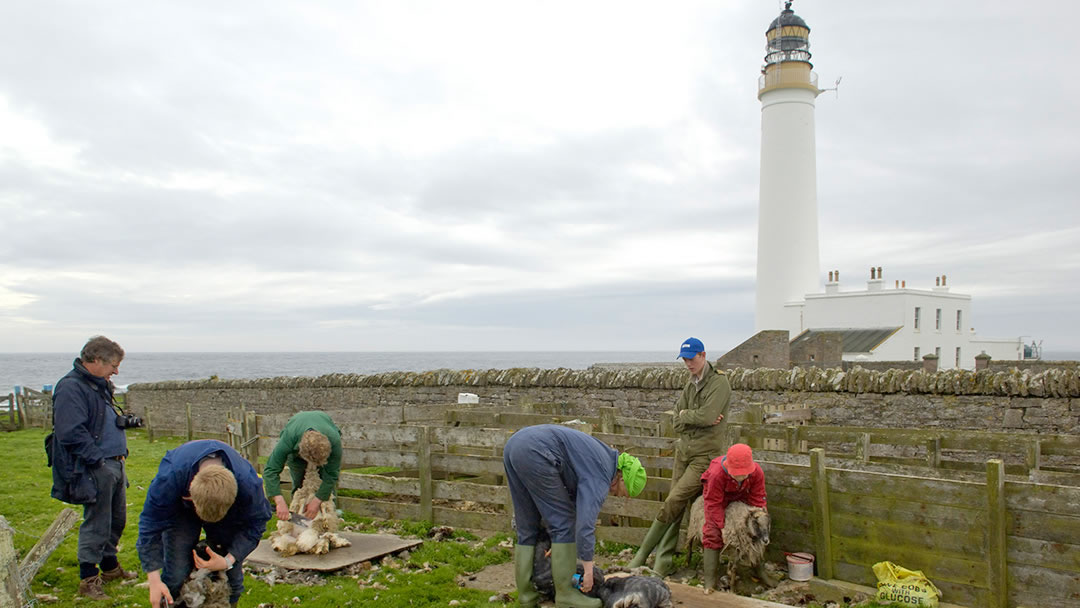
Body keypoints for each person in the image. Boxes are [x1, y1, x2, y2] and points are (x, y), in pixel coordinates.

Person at [504, 424, 647, 608]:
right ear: (621, 478)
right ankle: (566, 595)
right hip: (536, 452)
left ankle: (526, 596)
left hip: (515, 444)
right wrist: (588, 570)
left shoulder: (601, 456)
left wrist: (559, 543)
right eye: (623, 492)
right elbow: (585, 525)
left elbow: (570, 498)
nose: (619, 496)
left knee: (527, 526)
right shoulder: (602, 475)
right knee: (564, 524)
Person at [629, 337, 730, 575]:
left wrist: (688, 415)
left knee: (673, 501)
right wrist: (689, 416)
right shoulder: (690, 383)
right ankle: (663, 561)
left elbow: (708, 417)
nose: (687, 364)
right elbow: (677, 420)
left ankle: (642, 555)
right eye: (684, 359)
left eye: (691, 358)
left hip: (704, 456)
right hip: (683, 452)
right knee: (674, 504)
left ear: (703, 355)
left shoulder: (719, 383)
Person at [48, 336, 138, 600]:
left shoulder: (99, 385)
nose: (116, 371)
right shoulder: (71, 388)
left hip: (114, 462)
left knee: (116, 520)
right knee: (97, 522)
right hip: (95, 466)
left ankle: (109, 567)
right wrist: (97, 462)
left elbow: (100, 420)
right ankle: (88, 579)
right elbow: (70, 432)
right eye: (113, 364)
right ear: (95, 360)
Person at [137, 439, 272, 608]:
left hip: (226, 512)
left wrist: (227, 561)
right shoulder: (171, 476)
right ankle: (169, 600)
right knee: (176, 573)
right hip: (182, 507)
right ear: (190, 495)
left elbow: (257, 524)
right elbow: (150, 524)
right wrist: (154, 580)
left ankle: (228, 603)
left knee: (232, 578)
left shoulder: (249, 485)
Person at [699, 443, 776, 590]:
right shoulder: (716, 474)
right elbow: (713, 503)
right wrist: (722, 528)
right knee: (712, 532)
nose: (740, 476)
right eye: (736, 473)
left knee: (755, 533)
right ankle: (710, 580)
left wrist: (758, 514)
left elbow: (758, 497)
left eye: (744, 473)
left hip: (742, 498)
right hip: (719, 500)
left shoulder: (757, 472)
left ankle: (759, 570)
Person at [262, 411, 342, 521]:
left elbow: (332, 475)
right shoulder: (289, 438)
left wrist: (317, 500)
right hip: (297, 445)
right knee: (299, 485)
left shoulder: (334, 440)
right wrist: (279, 501)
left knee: (328, 489)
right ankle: (297, 520)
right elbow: (271, 470)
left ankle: (328, 521)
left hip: (324, 445)